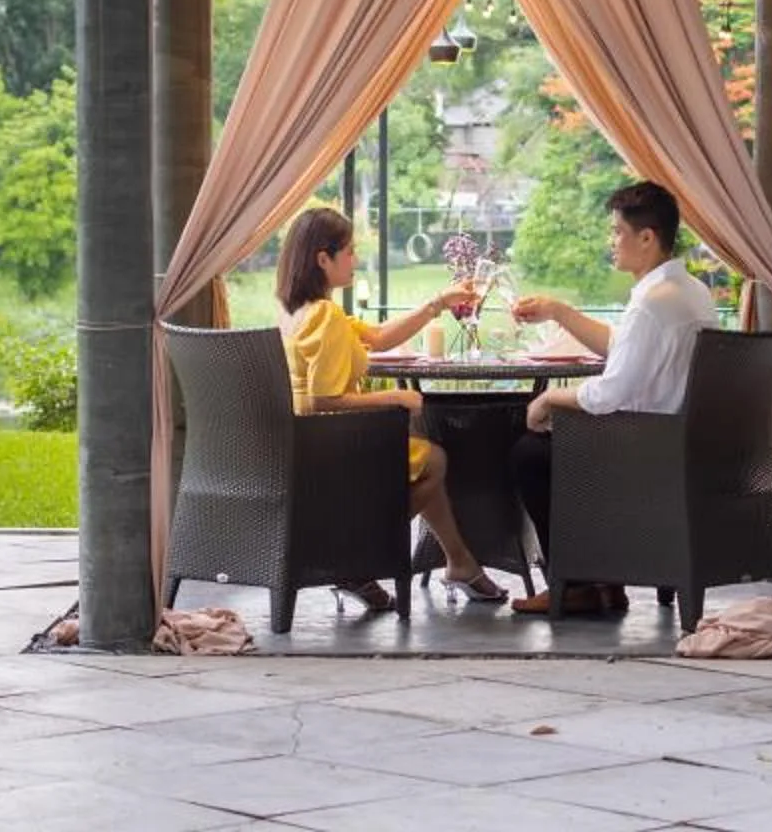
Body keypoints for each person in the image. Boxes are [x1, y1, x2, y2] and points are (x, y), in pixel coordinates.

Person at [273, 205, 506, 608]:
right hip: (332, 449)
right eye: (349, 251)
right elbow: (322, 399)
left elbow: (378, 338)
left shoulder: (304, 312)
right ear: (322, 259)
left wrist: (438, 302)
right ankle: (353, 557)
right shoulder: (325, 316)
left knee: (421, 456)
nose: (355, 260)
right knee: (432, 460)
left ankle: (458, 562)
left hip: (305, 448)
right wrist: (396, 396)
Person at [504, 180, 713, 617]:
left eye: (617, 231)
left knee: (528, 452)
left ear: (646, 238)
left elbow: (608, 394)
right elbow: (624, 345)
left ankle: (576, 582)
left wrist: (548, 400)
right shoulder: (690, 293)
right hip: (681, 444)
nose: (611, 241)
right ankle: (603, 581)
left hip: (644, 452)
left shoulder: (651, 305)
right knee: (545, 444)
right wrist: (560, 312)